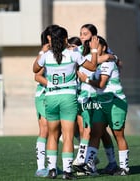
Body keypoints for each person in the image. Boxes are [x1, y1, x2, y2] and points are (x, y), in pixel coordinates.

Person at [33, 26, 99, 180]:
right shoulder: (72, 55)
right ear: (64, 39)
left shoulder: (47, 56)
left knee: (52, 136)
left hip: (51, 97)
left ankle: (52, 170)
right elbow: (92, 66)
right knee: (68, 136)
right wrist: (94, 50)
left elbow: (35, 68)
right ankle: (68, 172)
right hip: (68, 97)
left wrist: (42, 51)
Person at [78, 36, 130, 176]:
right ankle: (88, 165)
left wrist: (86, 79)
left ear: (104, 48)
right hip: (101, 103)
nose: (94, 49)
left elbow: (101, 84)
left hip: (115, 102)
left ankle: (124, 168)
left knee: (118, 135)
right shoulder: (96, 63)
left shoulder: (108, 63)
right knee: (95, 133)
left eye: (97, 46)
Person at [73, 24, 117, 175]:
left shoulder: (101, 49)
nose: (82, 36)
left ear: (94, 37)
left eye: (85, 34)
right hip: (82, 95)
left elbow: (113, 59)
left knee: (97, 131)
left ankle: (86, 162)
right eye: (81, 33)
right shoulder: (78, 50)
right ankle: (87, 162)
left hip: (98, 96)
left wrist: (112, 57)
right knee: (90, 130)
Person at [34, 25, 59, 177]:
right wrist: (52, 85)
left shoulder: (62, 51)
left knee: (55, 130)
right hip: (44, 95)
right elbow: (37, 74)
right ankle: (41, 167)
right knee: (45, 129)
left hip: (58, 96)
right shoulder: (45, 52)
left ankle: (53, 166)